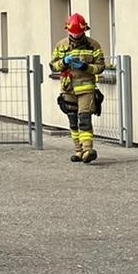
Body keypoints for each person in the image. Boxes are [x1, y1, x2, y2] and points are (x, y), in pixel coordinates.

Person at [51, 13, 106, 163]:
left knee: (84, 119)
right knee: (73, 121)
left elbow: (101, 67)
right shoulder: (61, 45)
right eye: (73, 32)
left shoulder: (93, 45)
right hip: (68, 89)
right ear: (68, 30)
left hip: (86, 88)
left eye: (79, 32)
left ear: (84, 30)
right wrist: (63, 62)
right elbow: (53, 66)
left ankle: (88, 150)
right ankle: (79, 151)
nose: (76, 35)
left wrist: (85, 67)